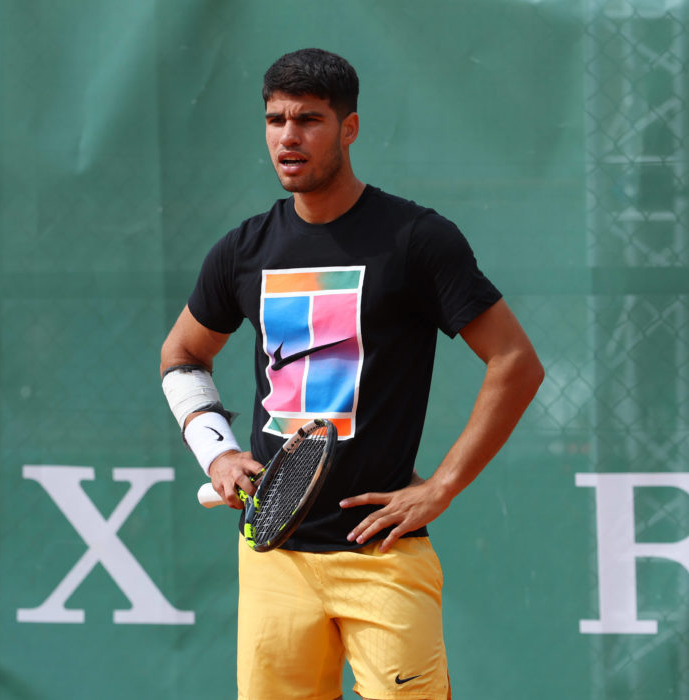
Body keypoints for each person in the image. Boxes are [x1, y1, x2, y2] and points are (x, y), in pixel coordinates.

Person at [160, 48, 544, 700]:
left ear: (350, 127)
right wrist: (217, 453)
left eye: (308, 119)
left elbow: (516, 362)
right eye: (275, 119)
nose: (288, 136)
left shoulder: (417, 240)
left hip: (384, 558)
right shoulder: (242, 250)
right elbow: (182, 356)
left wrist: (442, 487)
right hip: (273, 558)